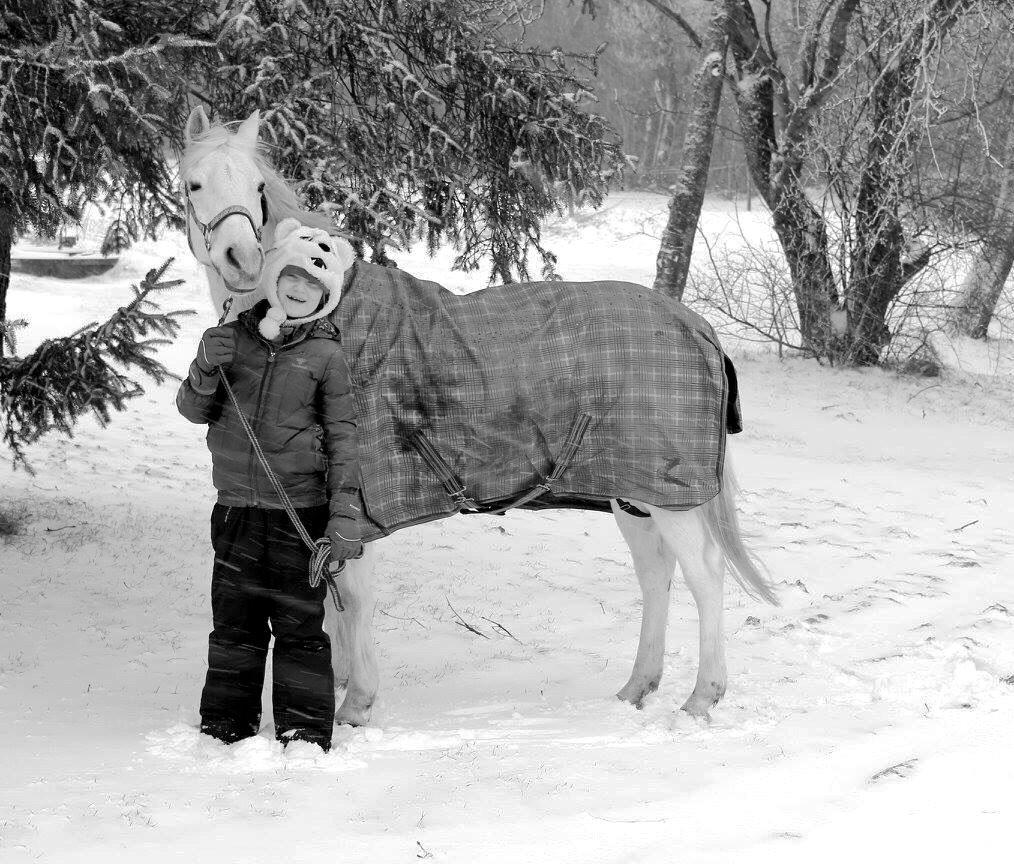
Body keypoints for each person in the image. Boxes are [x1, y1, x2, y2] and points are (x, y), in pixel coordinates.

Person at [176, 217, 361, 752]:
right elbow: (194, 410)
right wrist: (204, 368)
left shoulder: (326, 357)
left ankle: (303, 731)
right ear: (275, 277)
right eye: (292, 277)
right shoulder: (231, 338)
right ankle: (226, 725)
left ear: (325, 297)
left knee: (300, 628)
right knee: (234, 625)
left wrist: (345, 516)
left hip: (298, 514)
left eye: (313, 284)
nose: (299, 289)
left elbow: (345, 440)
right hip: (235, 511)